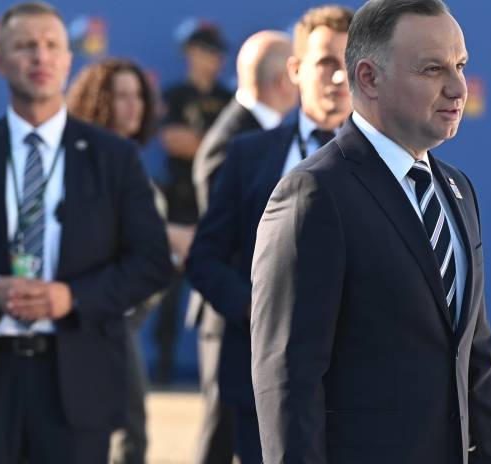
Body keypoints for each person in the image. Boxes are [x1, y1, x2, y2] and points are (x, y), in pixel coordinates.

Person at [0, 3, 171, 463]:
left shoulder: (113, 158)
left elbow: (151, 262)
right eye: (25, 46)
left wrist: (73, 297)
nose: (40, 56)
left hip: (78, 380)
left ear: (68, 60)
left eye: (50, 46)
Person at [249, 0, 491, 463]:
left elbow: (475, 357)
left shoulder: (458, 190)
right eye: (432, 69)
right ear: (369, 78)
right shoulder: (314, 193)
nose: (458, 87)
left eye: (460, 65)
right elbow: (289, 381)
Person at [186, 6, 354, 463]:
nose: (340, 78)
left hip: (357, 389)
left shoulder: (390, 164)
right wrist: (255, 308)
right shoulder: (249, 154)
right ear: (295, 70)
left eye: (351, 63)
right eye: (326, 63)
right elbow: (205, 257)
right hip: (261, 380)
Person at [187, 29, 296, 464]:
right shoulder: (236, 139)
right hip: (235, 317)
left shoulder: (254, 132)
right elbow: (221, 237)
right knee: (225, 433)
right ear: (285, 79)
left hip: (248, 316)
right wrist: (256, 304)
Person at [66, 57, 166, 464]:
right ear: (97, 100)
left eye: (138, 96)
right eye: (121, 96)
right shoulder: (79, 159)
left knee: (131, 430)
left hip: (127, 314)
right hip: (89, 313)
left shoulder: (131, 160)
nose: (133, 106)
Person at [156, 21, 233, 384]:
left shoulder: (229, 97)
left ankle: (220, 371)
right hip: (180, 206)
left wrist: (200, 142)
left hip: (218, 207)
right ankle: (163, 370)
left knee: (222, 290)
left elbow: (235, 148)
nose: (213, 59)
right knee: (169, 295)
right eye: (206, 51)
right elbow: (173, 141)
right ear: (190, 53)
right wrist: (216, 144)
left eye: (217, 52)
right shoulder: (176, 95)